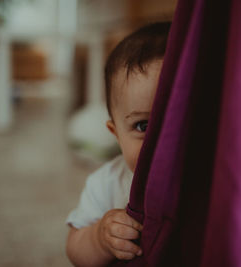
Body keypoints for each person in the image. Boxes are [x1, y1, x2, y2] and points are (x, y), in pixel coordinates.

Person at [66, 22, 171, 266]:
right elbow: (75, 250)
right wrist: (99, 238)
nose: (160, 143)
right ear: (115, 134)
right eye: (142, 126)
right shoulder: (106, 184)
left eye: (175, 124)